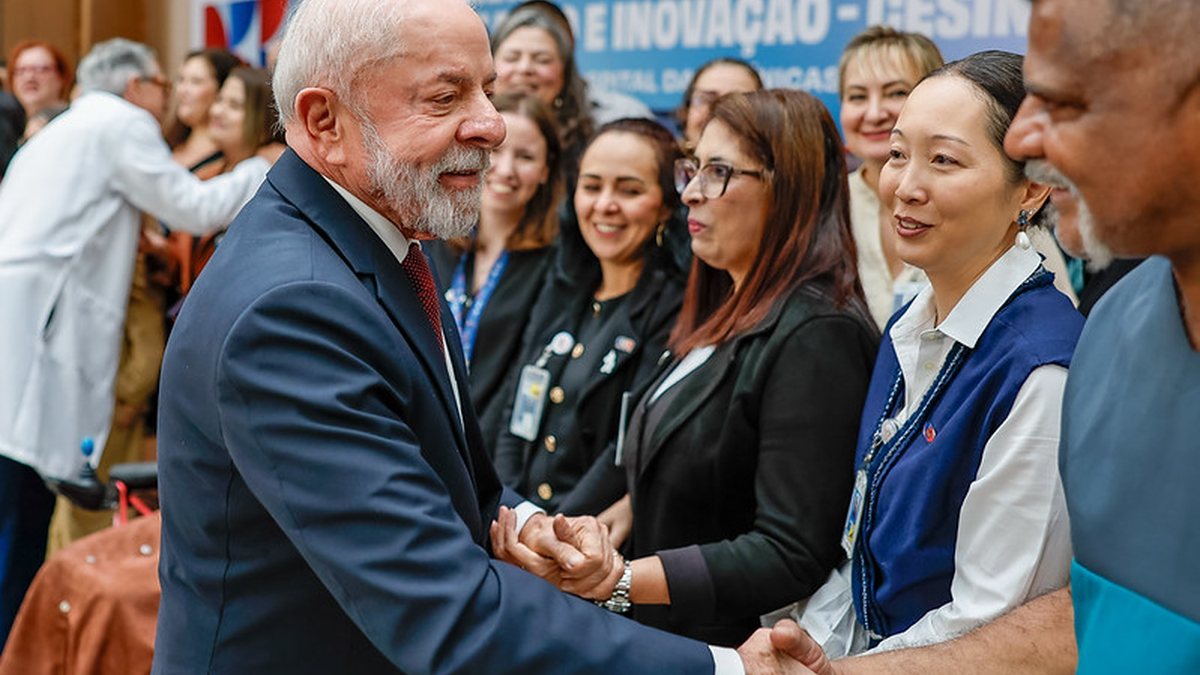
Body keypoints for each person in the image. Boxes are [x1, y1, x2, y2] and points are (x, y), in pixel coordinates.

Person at [150, 0, 810, 672]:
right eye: (445, 97)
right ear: (325, 120)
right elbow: (448, 613)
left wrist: (531, 529)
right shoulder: (295, 309)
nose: (493, 125)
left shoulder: (382, 249)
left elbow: (455, 480)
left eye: (487, 89)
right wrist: (727, 668)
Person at [500, 88, 878, 647]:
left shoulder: (819, 333)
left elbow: (790, 550)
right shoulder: (728, 308)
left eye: (719, 172)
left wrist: (623, 580)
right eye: (692, 170)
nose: (693, 193)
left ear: (788, 187)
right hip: (660, 634)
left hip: (730, 650)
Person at [797, 51, 1080, 656]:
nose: (906, 185)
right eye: (898, 154)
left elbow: (986, 623)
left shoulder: (1040, 370)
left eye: (944, 160)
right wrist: (806, 651)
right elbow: (858, 571)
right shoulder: (909, 324)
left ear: (1029, 188)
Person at [0, 38, 269, 648]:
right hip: (46, 327)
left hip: (25, 323)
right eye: (160, 84)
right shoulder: (121, 125)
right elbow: (194, 208)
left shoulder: (66, 128)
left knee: (22, 491)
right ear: (134, 87)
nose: (167, 97)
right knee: (28, 505)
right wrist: (262, 169)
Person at [491, 117, 689, 513]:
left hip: (594, 544)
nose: (605, 205)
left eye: (629, 190)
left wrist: (553, 530)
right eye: (592, 186)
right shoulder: (561, 288)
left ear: (666, 206)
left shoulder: (676, 308)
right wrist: (513, 515)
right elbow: (516, 412)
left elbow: (628, 447)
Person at [426, 91, 562, 453]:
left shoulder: (556, 264)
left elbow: (525, 378)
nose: (506, 170)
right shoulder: (432, 242)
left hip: (489, 455)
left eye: (526, 157)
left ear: (546, 170)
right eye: (498, 152)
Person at [836, 26, 942, 330]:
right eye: (857, 96)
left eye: (896, 93)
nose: (873, 113)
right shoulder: (826, 206)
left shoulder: (980, 200)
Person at [164, 48, 242, 173]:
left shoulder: (231, 160)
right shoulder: (166, 143)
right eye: (181, 79)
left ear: (222, 90)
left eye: (196, 82)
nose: (182, 90)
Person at [676, 57, 762, 152]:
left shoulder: (779, 165)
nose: (719, 111)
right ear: (686, 111)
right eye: (706, 99)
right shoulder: (664, 163)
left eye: (736, 102)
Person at [6, 40, 70, 127]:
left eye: (40, 69)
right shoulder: (11, 126)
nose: (29, 77)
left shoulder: (72, 120)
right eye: (21, 70)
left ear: (61, 77)